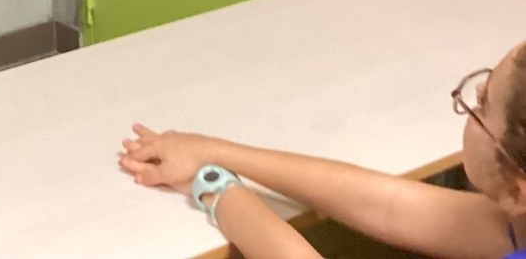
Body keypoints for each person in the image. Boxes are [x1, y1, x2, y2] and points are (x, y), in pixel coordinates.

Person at [118, 42, 526, 259]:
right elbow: (392, 206)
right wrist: (215, 150)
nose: (476, 94)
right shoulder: (517, 220)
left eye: (483, 103)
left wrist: (214, 187)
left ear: (516, 190)